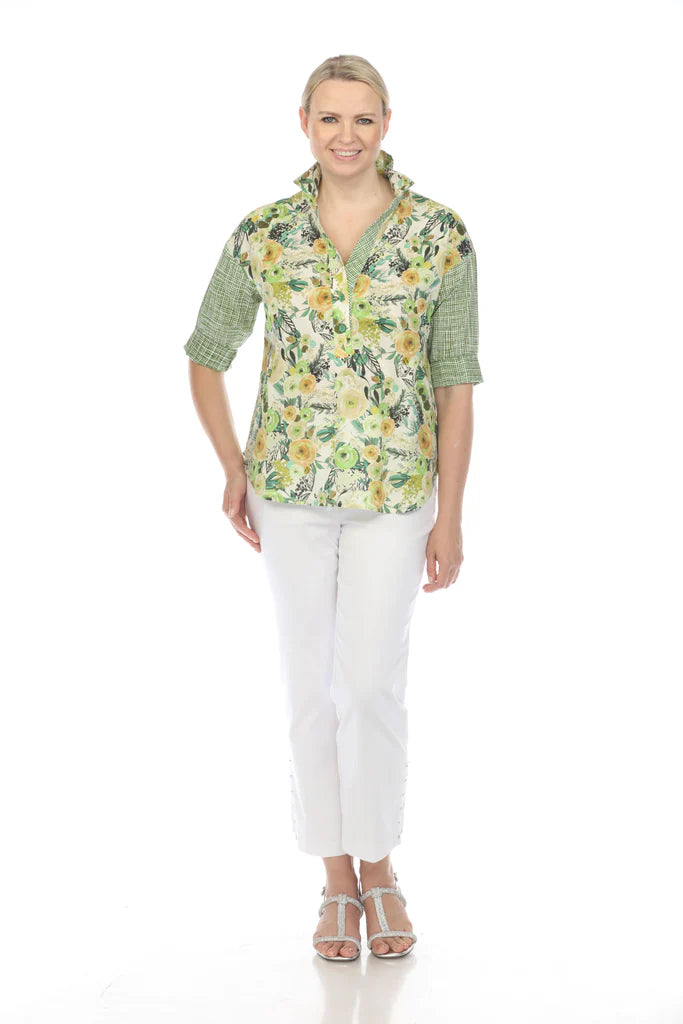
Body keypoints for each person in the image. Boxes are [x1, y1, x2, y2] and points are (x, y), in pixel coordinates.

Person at [183, 54, 483, 961]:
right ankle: (335, 881)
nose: (345, 136)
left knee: (369, 684)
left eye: (362, 119)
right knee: (308, 686)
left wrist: (450, 515)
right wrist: (232, 466)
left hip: (396, 490)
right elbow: (206, 352)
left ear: (386, 124)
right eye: (329, 119)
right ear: (303, 124)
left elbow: (455, 381)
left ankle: (381, 867)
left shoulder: (438, 235)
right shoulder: (264, 233)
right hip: (289, 491)